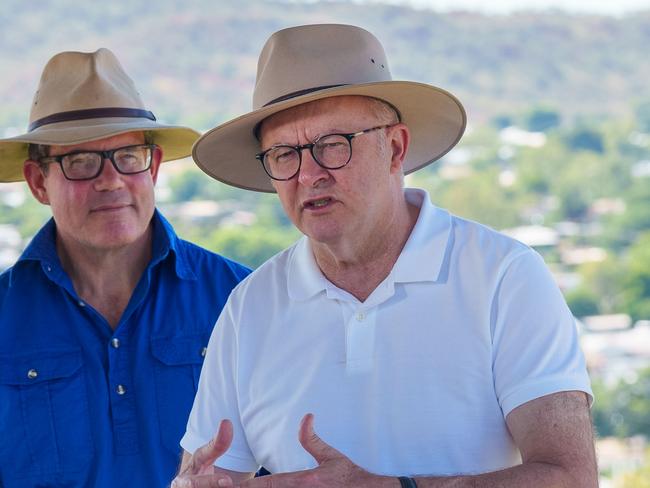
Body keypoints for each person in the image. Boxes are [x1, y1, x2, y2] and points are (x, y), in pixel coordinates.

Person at [174, 24, 597, 487]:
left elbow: (571, 477)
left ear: (395, 148)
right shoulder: (249, 306)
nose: (308, 174)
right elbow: (207, 476)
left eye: (332, 145)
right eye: (283, 154)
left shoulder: (504, 277)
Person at [0, 49, 250, 487]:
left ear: (153, 167)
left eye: (128, 156)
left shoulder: (242, 298)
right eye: (80, 162)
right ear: (39, 182)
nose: (111, 180)